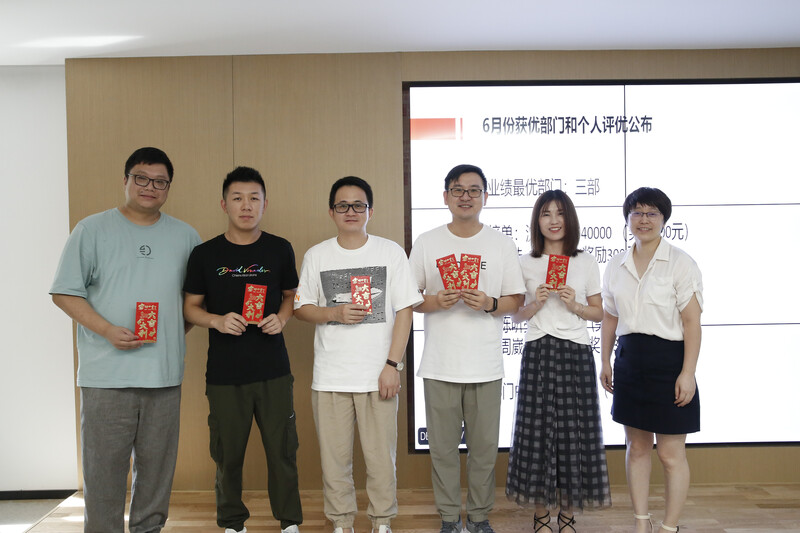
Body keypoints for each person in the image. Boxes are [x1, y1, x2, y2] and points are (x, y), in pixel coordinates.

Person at [50, 147, 201, 533]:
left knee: (157, 473)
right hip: (106, 376)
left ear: (168, 187)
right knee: (103, 473)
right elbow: (64, 292)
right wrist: (106, 330)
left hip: (163, 376)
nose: (150, 187)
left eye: (160, 181)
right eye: (141, 178)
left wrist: (170, 334)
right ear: (125, 180)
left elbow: (194, 303)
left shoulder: (186, 236)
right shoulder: (91, 230)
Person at [294, 176, 421, 533]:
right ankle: (341, 522)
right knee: (334, 461)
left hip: (378, 374)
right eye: (342, 205)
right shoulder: (317, 255)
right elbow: (302, 308)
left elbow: (406, 311)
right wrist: (334, 312)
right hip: (330, 377)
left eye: (358, 205)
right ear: (331, 211)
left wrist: (392, 365)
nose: (350, 211)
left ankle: (382, 522)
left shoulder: (390, 252)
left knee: (381, 460)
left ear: (370, 211)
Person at [183, 166, 303, 533]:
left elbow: (290, 297)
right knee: (227, 454)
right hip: (225, 374)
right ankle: (233, 523)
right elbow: (190, 308)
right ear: (224, 204)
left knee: (283, 451)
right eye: (237, 198)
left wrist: (282, 318)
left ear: (265, 204)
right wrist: (217, 321)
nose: (246, 205)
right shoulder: (205, 254)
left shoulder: (279, 248)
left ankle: (289, 522)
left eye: (254, 198)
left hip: (273, 370)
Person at [409, 164, 526, 533]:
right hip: (439, 363)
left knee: (484, 449)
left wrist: (490, 303)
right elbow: (409, 297)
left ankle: (478, 516)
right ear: (445, 196)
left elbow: (516, 299)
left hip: (485, 364)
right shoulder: (427, 241)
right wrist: (435, 301)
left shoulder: (500, 243)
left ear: (485, 197)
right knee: (442, 450)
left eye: (474, 190)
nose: (466, 196)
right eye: (458, 190)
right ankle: (449, 517)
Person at [505, 190, 611, 533]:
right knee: (536, 434)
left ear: (570, 219)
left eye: (560, 213)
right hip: (538, 349)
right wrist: (536, 302)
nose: (553, 220)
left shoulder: (585, 261)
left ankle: (567, 515)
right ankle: (540, 514)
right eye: (546, 213)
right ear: (537, 221)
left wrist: (574, 304)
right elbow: (515, 316)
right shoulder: (525, 262)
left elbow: (599, 313)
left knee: (574, 434)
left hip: (575, 351)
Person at [600, 187, 702, 533]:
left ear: (663, 219)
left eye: (652, 213)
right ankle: (641, 523)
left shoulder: (681, 263)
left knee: (670, 454)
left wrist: (688, 373)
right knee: (638, 447)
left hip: (669, 363)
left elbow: (691, 322)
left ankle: (669, 527)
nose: (644, 220)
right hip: (629, 361)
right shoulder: (616, 264)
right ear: (628, 218)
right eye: (637, 213)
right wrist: (605, 361)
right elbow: (610, 318)